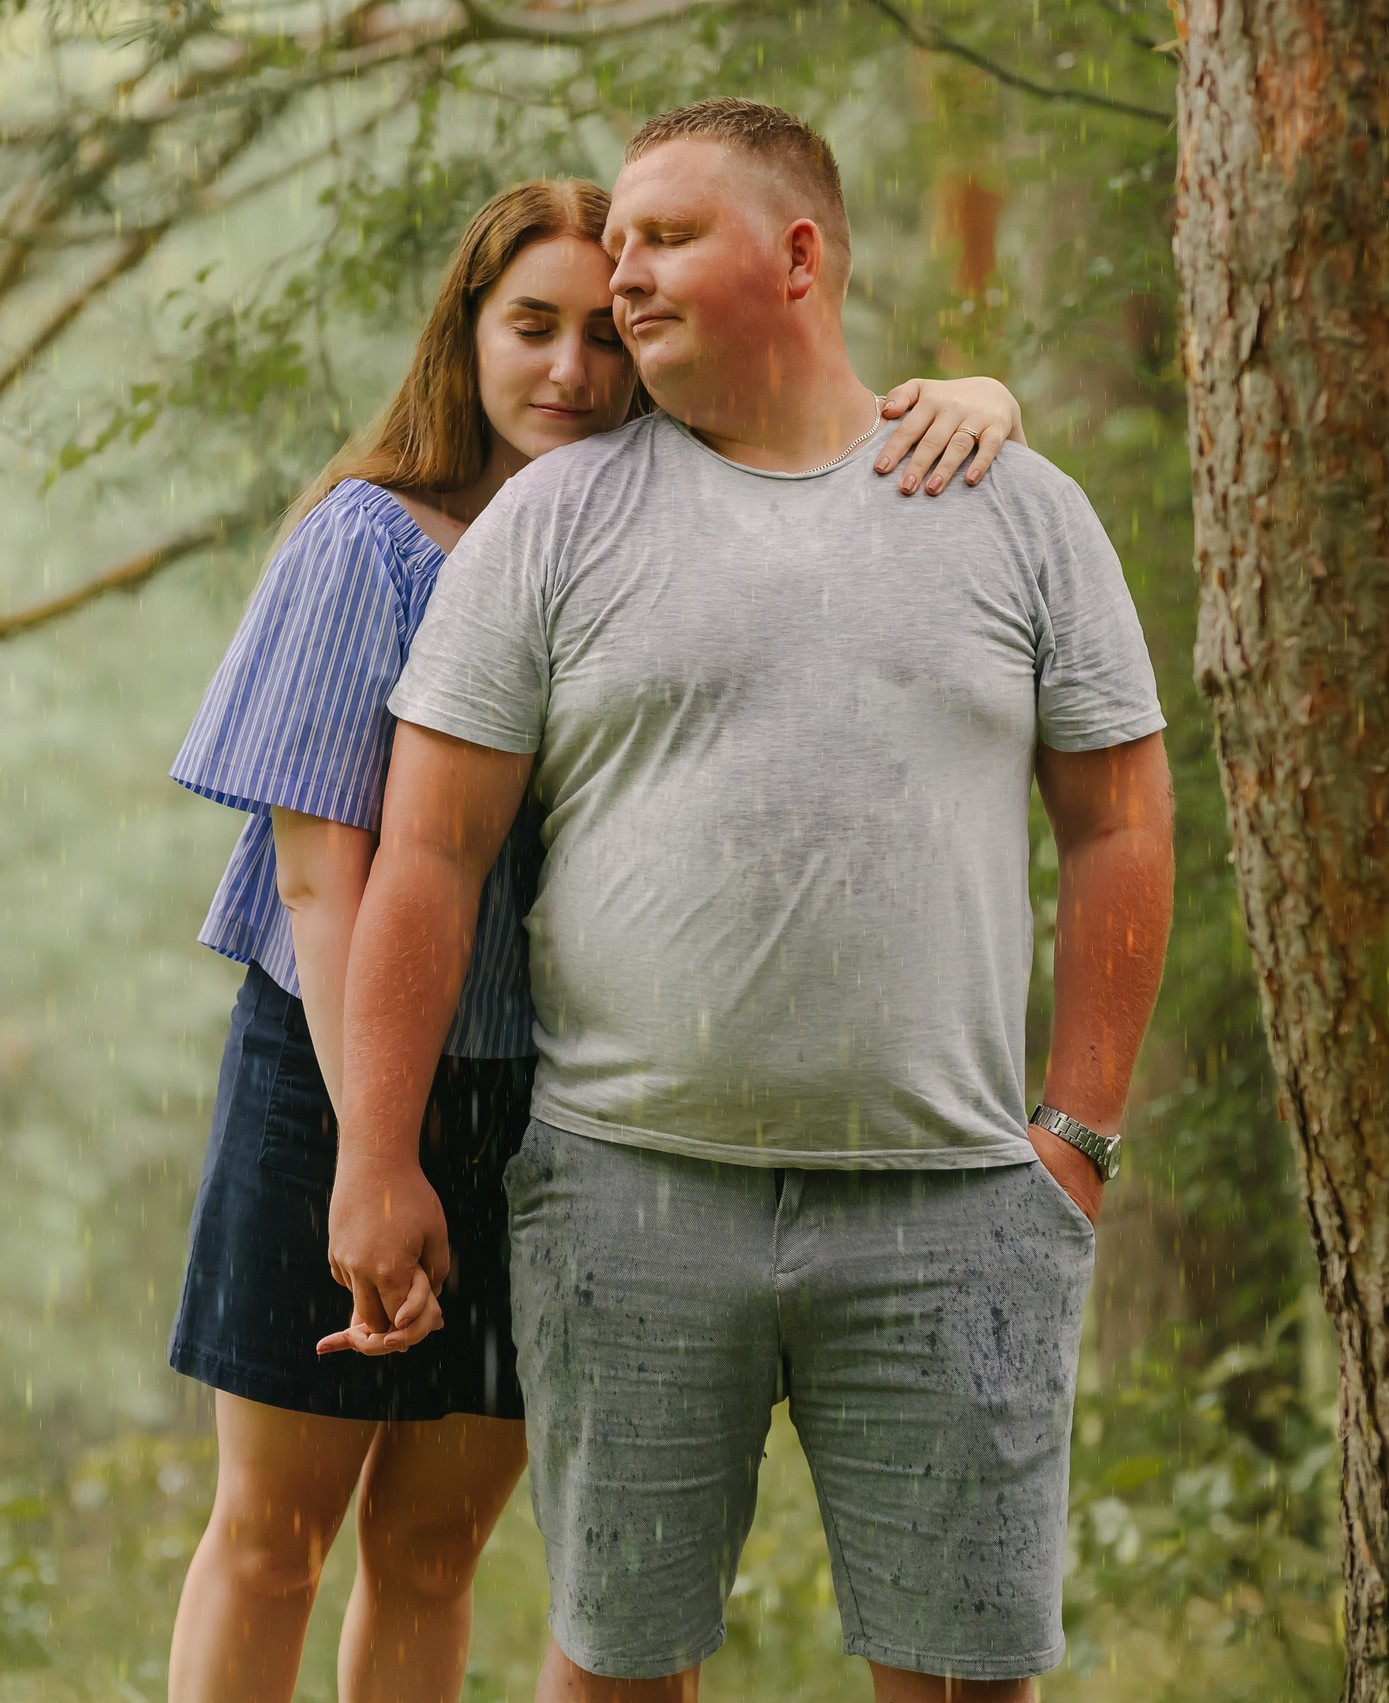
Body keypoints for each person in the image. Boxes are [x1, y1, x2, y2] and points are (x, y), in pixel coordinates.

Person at [327, 102, 1175, 1703]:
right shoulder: (555, 520)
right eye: (616, 242)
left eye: (663, 239)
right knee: (613, 1672)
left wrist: (1076, 1139)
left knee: (966, 1684)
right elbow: (425, 851)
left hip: (951, 1205)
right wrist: (373, 1156)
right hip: (628, 1200)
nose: (619, 274)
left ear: (796, 256)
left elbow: (1121, 820)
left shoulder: (1014, 508)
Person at [162, 175, 1030, 1703]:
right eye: (529, 326)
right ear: (466, 336)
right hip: (331, 1083)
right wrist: (375, 1150)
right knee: (275, 1535)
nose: (569, 371)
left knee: (433, 1553)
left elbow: (829, 429)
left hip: (545, 1106)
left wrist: (978, 394)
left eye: (601, 338)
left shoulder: (650, 541)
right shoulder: (369, 547)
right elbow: (320, 886)